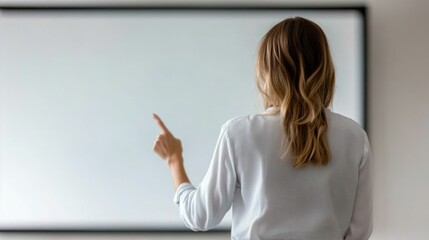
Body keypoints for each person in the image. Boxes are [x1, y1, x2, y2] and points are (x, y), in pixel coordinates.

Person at [152, 17, 372, 240]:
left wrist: (174, 159)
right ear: (324, 68)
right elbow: (361, 232)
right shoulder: (355, 138)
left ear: (267, 72)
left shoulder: (238, 133)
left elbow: (200, 216)